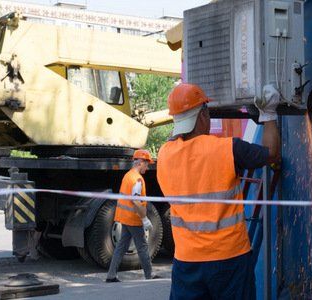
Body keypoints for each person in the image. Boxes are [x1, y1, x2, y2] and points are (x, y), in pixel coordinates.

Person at [157, 83, 281, 300]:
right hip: (229, 258)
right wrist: (268, 113)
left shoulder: (165, 155)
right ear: (203, 115)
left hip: (187, 261)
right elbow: (271, 153)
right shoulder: (227, 149)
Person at [106, 149, 155, 282]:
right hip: (133, 219)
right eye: (147, 164)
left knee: (121, 246)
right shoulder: (137, 179)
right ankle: (149, 275)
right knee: (142, 246)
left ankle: (111, 275)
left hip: (124, 217)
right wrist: (144, 218)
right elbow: (135, 200)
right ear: (140, 163)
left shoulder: (128, 175)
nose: (148, 167)